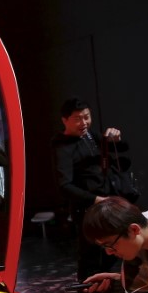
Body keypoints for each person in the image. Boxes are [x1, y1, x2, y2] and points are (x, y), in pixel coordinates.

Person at [52, 97, 125, 280]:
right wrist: (96, 200)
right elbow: (64, 186)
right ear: (64, 120)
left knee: (112, 250)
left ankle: (106, 291)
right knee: (90, 256)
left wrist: (114, 138)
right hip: (87, 210)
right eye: (77, 118)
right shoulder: (62, 146)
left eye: (86, 117)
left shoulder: (91, 136)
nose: (83, 123)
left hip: (107, 205)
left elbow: (118, 153)